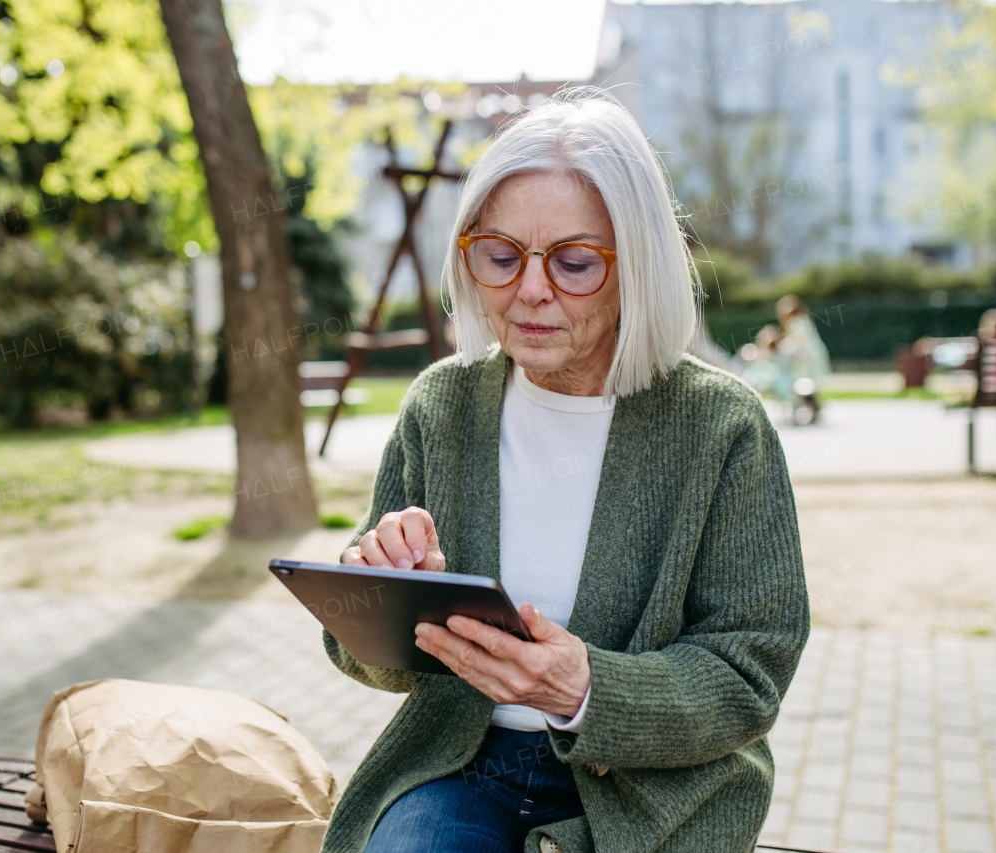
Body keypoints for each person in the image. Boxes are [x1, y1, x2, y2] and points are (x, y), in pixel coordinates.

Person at [321, 88, 810, 853]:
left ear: (639, 262)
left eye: (576, 262)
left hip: (662, 792)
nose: (531, 289)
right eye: (501, 256)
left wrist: (586, 691)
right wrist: (377, 585)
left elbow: (751, 671)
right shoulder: (441, 406)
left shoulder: (723, 427)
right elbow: (368, 658)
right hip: (462, 769)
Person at [774, 296, 831, 425]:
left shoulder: (796, 322)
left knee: (803, 385)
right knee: (807, 385)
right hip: (810, 356)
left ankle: (813, 409)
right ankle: (815, 409)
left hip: (806, 358)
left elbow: (797, 341)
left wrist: (783, 346)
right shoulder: (803, 320)